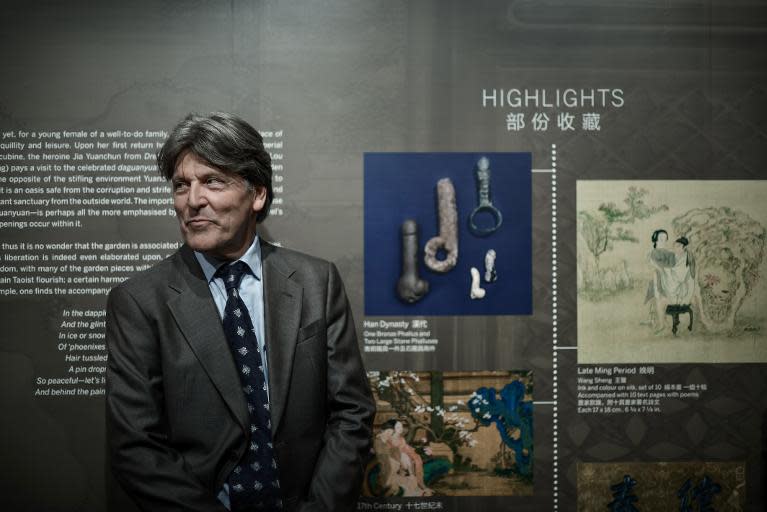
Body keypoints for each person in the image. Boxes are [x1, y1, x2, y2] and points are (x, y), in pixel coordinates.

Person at [105, 112, 375, 512]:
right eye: (182, 185)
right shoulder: (139, 301)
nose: (193, 200)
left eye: (212, 181)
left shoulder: (317, 282)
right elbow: (136, 447)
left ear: (258, 195)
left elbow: (352, 412)